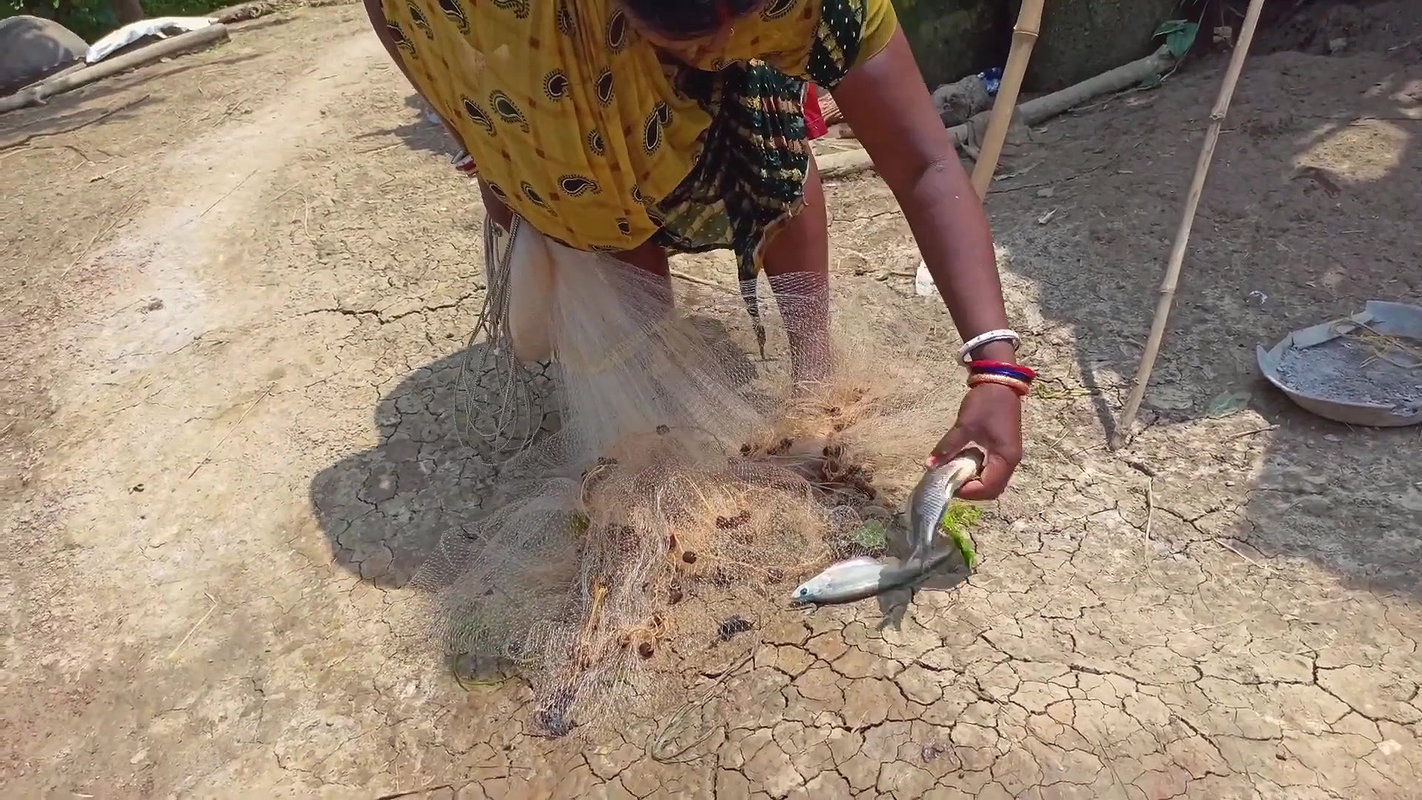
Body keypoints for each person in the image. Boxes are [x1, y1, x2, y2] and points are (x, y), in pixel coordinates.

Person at [362, 0, 1029, 500]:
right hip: (573, 64)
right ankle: (657, 412)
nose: (724, 48)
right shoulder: (516, 26)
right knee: (597, 189)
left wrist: (996, 369)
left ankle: (815, 378)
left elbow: (923, 163)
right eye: (690, 35)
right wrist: (474, 131)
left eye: (747, 20)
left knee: (771, 144)